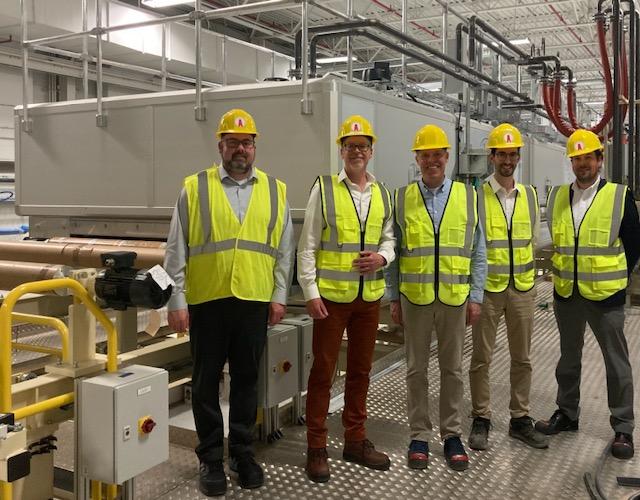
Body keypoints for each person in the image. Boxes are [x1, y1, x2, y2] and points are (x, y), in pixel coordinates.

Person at [164, 108, 295, 496]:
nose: (241, 149)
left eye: (247, 142)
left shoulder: (276, 189)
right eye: (234, 142)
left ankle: (241, 452)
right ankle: (209, 457)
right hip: (207, 301)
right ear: (220, 145)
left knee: (246, 381)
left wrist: (279, 295)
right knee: (204, 382)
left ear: (255, 147)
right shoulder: (195, 187)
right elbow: (177, 248)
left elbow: (283, 249)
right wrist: (177, 300)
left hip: (254, 300)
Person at [297, 115, 395, 483]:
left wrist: (382, 258)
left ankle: (355, 440)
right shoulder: (323, 188)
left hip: (368, 299)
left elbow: (390, 237)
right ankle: (316, 446)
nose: (357, 152)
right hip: (332, 300)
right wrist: (310, 291)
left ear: (371, 152)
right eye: (350, 146)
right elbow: (307, 245)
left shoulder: (381, 192)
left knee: (360, 373)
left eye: (363, 146)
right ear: (341, 151)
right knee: (322, 373)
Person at [387, 124, 487, 471]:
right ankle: (419, 435)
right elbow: (394, 251)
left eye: (437, 154)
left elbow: (478, 250)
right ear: (417, 159)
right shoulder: (401, 198)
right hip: (414, 298)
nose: (431, 160)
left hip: (454, 298)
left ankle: (452, 435)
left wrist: (476, 295)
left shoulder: (468, 197)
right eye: (424, 154)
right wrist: (393, 296)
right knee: (416, 369)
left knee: (453, 370)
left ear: (447, 157)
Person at [535, 129, 640, 460]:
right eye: (577, 159)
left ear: (599, 160)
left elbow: (634, 245)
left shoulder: (619, 196)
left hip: (605, 296)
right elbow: (558, 238)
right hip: (567, 292)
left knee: (616, 362)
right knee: (568, 359)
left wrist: (617, 279)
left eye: (588, 158)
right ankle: (567, 413)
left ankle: (623, 426)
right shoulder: (557, 197)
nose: (583, 164)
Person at [468, 123, 549, 451]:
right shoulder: (476, 196)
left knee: (523, 358)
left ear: (518, 157)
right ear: (492, 157)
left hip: (523, 289)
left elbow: (531, 239)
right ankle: (481, 417)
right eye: (502, 153)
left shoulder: (529, 195)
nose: (508, 159)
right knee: (481, 357)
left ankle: (520, 418)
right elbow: (473, 246)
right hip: (488, 289)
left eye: (513, 154)